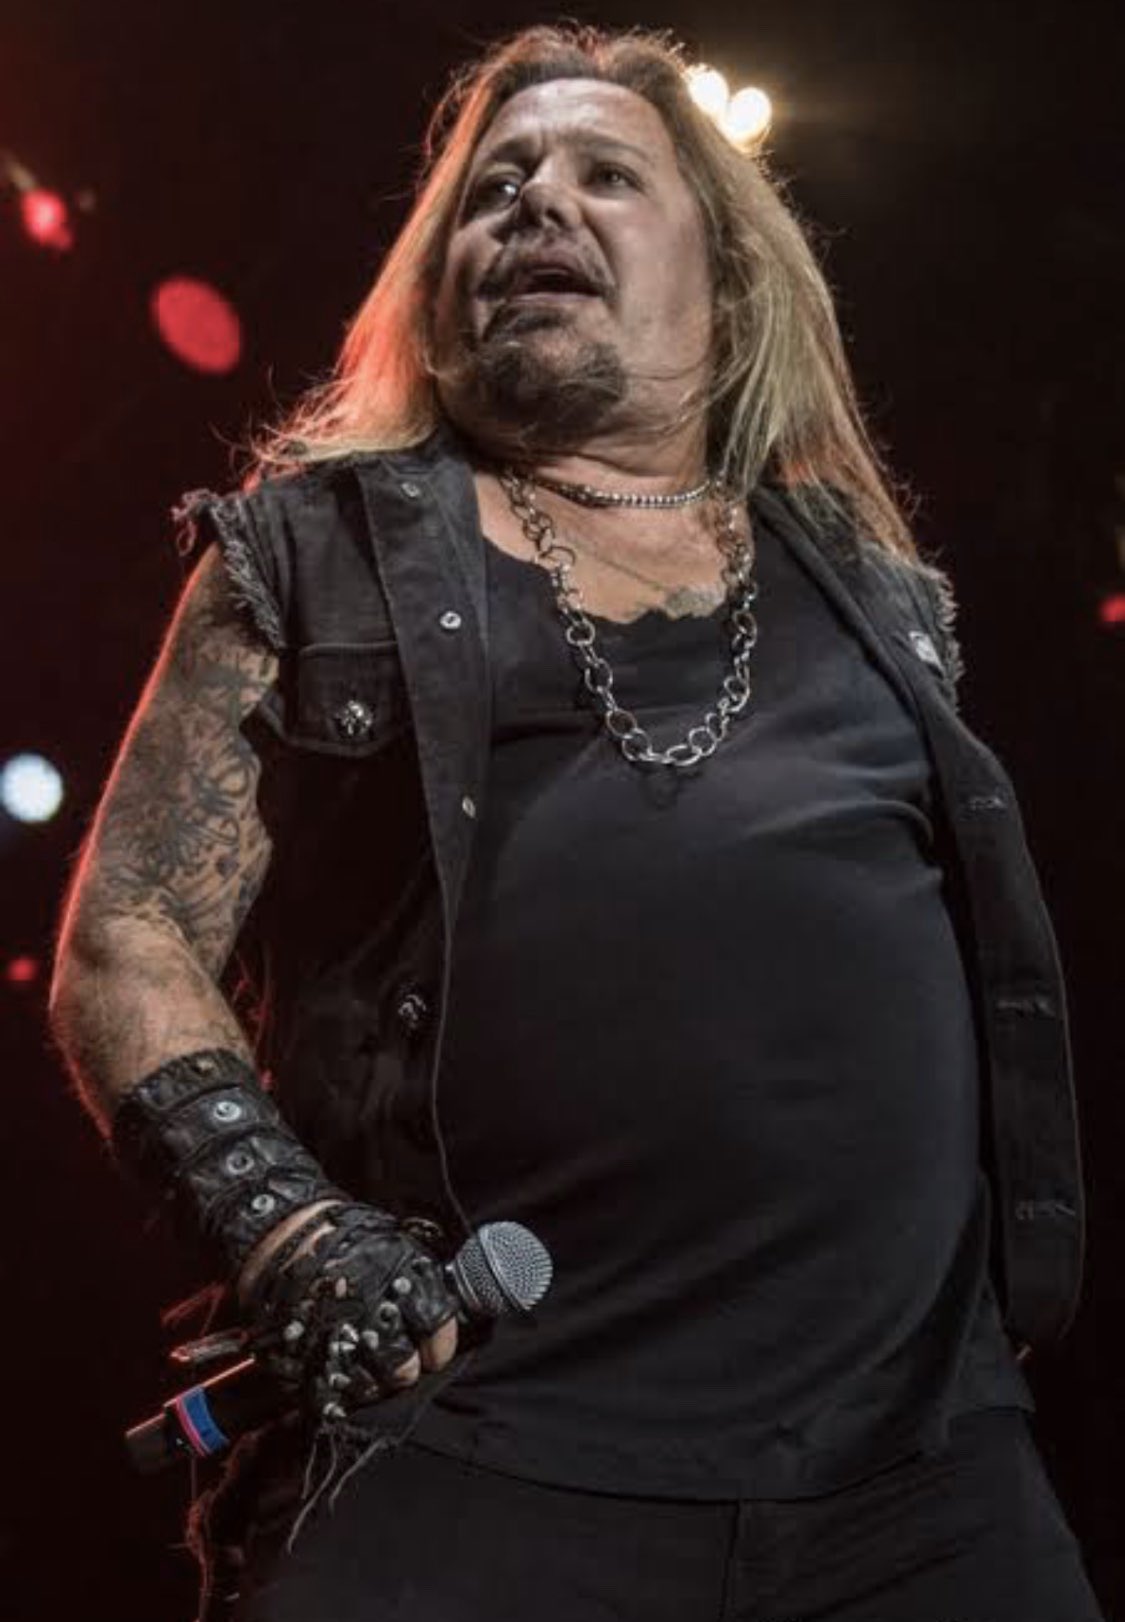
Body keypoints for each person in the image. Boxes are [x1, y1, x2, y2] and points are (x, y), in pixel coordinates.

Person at [48, 23, 1104, 1622]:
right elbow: (124, 927)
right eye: (495, 187)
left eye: (607, 175)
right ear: (436, 285)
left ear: (727, 285)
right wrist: (288, 1230)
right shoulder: (314, 553)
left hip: (913, 1474)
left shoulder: (876, 593)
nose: (537, 201)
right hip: (482, 1448)